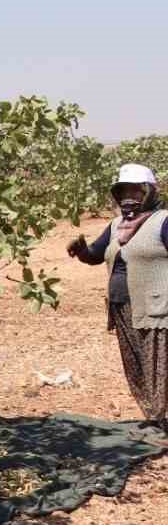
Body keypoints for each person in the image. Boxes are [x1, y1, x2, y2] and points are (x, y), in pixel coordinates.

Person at [67, 163, 168, 429]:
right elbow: (96, 255)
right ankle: (154, 419)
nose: (128, 197)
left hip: (156, 308)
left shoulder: (162, 222)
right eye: (123, 191)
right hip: (121, 307)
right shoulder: (115, 226)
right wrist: (80, 251)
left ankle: (158, 419)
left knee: (157, 367)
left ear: (149, 193)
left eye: (135, 191)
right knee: (134, 365)